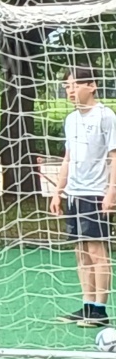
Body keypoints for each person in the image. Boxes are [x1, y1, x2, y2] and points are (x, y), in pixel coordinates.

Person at [49, 64, 116, 327]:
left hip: (95, 192)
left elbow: (114, 156)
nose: (70, 90)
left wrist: (111, 191)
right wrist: (58, 191)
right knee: (80, 251)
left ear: (92, 86)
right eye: (67, 86)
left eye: (75, 85)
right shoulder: (71, 120)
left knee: (97, 250)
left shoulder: (106, 116)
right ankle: (87, 304)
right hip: (74, 193)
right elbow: (68, 157)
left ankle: (100, 309)